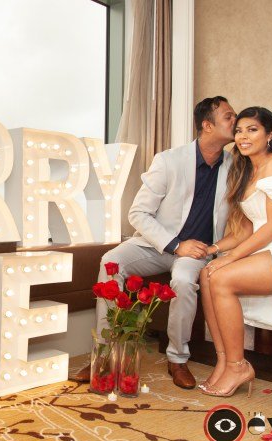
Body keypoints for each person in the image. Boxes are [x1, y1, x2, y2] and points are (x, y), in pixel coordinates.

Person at [71, 96, 237, 389]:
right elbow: (138, 213)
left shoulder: (236, 166)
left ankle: (177, 359)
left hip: (198, 253)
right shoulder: (169, 160)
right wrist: (175, 244)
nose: (235, 121)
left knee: (183, 280)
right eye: (229, 116)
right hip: (158, 244)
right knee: (111, 261)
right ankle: (106, 354)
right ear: (207, 125)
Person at [199, 107, 272, 397]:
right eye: (239, 130)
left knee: (222, 278)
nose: (243, 136)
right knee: (208, 273)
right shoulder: (245, 171)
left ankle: (238, 365)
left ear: (270, 134)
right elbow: (245, 230)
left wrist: (232, 257)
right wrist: (214, 249)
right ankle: (224, 361)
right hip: (268, 247)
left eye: (252, 130)